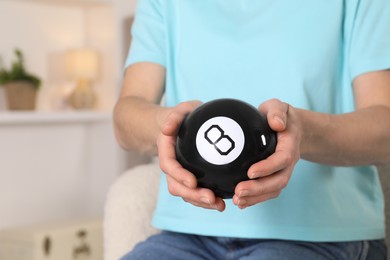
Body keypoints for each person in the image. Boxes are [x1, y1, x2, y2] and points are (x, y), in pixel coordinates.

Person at [114, 0, 390, 259]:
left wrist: (303, 133)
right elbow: (125, 118)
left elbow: (384, 130)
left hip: (325, 236)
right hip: (187, 237)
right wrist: (169, 128)